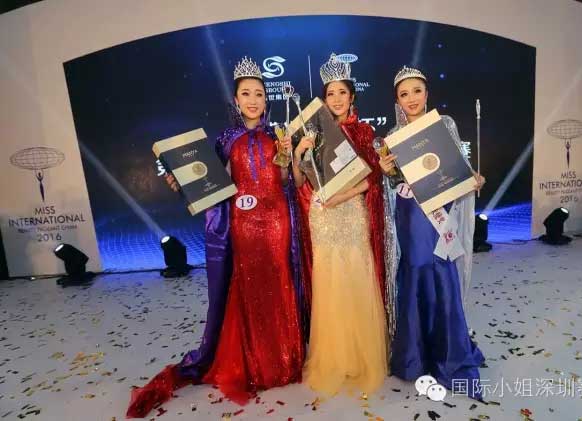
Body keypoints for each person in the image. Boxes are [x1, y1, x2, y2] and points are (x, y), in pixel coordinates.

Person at [126, 57, 306, 417]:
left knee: (279, 284)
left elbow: (289, 183)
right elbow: (212, 185)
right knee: (249, 289)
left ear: (266, 99)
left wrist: (292, 158)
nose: (253, 100)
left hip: (277, 223)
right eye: (246, 94)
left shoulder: (279, 136)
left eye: (258, 93)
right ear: (235, 100)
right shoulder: (226, 140)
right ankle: (255, 362)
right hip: (242, 223)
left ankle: (284, 359)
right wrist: (184, 184)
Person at [378, 65, 486, 399]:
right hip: (411, 214)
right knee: (416, 270)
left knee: (442, 268)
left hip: (439, 211)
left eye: (417, 91)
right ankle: (414, 356)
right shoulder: (393, 136)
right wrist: (387, 171)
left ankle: (450, 353)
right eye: (404, 94)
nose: (412, 98)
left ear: (427, 93)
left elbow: (456, 167)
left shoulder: (445, 124)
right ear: (397, 100)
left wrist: (472, 177)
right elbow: (392, 184)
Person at [291, 53, 387, 397]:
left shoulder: (364, 132)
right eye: (330, 93)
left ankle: (360, 358)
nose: (336, 99)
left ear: (352, 96)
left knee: (356, 276)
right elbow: (299, 182)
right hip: (323, 215)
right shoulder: (312, 132)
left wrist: (340, 197)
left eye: (341, 93)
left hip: (350, 211)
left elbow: (370, 180)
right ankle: (334, 357)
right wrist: (298, 153)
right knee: (329, 281)